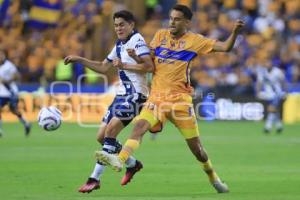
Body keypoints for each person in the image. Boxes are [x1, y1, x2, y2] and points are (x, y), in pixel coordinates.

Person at [96, 4, 244, 193]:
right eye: (171, 18)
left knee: (197, 150)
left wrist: (235, 32)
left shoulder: (196, 41)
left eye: (177, 19)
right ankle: (120, 159)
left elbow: (225, 47)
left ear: (187, 22)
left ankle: (214, 179)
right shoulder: (160, 36)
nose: (172, 22)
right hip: (157, 98)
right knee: (139, 127)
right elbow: (148, 62)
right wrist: (136, 57)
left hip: (181, 101)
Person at [64, 10, 154, 193]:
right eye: (116, 25)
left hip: (137, 95)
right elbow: (104, 67)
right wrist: (79, 59)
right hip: (121, 95)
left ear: (131, 25)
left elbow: (149, 66)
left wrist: (125, 65)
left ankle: (94, 178)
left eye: (122, 24)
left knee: (111, 130)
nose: (118, 28)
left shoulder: (138, 41)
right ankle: (132, 163)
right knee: (101, 137)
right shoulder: (119, 44)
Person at [0, 49, 31, 137]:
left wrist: (6, 80)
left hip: (11, 92)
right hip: (1, 93)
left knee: (14, 110)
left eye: (1, 55)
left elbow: (17, 76)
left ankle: (26, 123)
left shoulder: (9, 66)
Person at [256, 54, 287, 133]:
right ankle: (279, 126)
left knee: (271, 109)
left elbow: (284, 82)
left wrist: (286, 92)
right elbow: (259, 83)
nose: (267, 64)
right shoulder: (262, 72)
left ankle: (267, 127)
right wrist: (258, 92)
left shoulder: (277, 71)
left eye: (269, 63)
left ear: (271, 63)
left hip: (277, 93)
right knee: (274, 111)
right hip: (268, 94)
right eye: (266, 63)